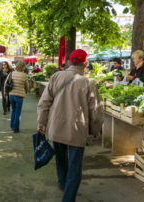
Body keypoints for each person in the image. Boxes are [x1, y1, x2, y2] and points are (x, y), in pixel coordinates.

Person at [37, 49, 103, 202]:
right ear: (85, 64)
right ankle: (68, 197)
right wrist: (95, 130)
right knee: (75, 165)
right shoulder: (88, 82)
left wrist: (42, 122)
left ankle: (62, 184)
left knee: (60, 159)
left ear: (68, 62)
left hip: (56, 126)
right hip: (76, 129)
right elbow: (96, 110)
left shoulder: (56, 76)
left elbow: (44, 103)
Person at [4, 60, 29, 133]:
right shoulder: (24, 75)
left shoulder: (11, 73)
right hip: (19, 96)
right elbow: (27, 86)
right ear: (23, 67)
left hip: (11, 95)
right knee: (18, 112)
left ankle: (12, 125)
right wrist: (26, 92)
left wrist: (5, 93)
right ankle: (16, 129)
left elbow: (6, 83)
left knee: (13, 110)